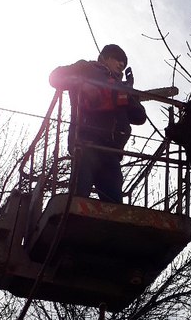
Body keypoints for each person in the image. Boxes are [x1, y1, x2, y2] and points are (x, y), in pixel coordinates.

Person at [49, 44, 147, 204]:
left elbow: (140, 117)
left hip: (111, 152)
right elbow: (55, 77)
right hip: (86, 144)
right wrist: (80, 83)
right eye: (117, 59)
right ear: (105, 58)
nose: (121, 64)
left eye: (124, 62)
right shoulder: (86, 68)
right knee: (77, 202)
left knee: (115, 208)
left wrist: (129, 96)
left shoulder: (121, 87)